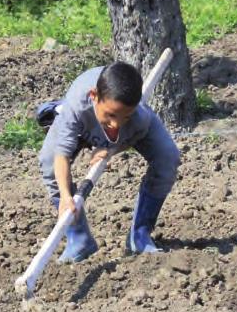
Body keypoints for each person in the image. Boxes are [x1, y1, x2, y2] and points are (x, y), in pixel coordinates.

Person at [35, 61, 181, 263]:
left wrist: (111, 148)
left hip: (122, 133)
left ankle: (139, 235)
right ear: (94, 96)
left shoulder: (138, 118)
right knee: (49, 162)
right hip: (83, 123)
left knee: (167, 156)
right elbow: (61, 155)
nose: (116, 123)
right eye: (111, 115)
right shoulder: (77, 106)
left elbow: (133, 134)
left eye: (125, 116)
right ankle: (79, 239)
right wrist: (66, 196)